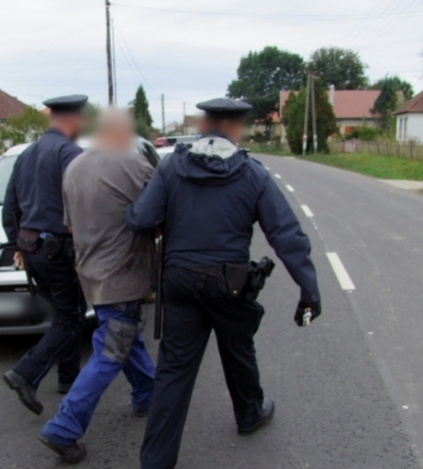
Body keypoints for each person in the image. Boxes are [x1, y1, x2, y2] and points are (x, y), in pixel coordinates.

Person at [127, 98, 322, 469]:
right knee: (237, 344)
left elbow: (141, 219)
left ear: (205, 124)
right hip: (229, 283)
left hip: (180, 282)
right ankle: (249, 414)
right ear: (235, 128)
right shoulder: (253, 174)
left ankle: (155, 463)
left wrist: (133, 211)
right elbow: (286, 235)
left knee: (173, 372)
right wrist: (308, 288)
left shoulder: (171, 168)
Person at [38, 108, 157, 464]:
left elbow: (71, 227)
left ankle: (147, 393)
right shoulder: (137, 168)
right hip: (123, 275)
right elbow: (159, 218)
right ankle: (64, 426)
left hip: (90, 273)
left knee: (123, 336)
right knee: (111, 349)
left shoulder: (74, 167)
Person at [1, 94, 89, 416]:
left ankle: (68, 377)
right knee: (71, 316)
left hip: (32, 251)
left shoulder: (25, 155)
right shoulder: (71, 153)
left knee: (68, 311)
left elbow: (9, 209)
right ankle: (25, 373)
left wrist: (17, 247)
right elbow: (82, 206)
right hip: (59, 251)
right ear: (74, 120)